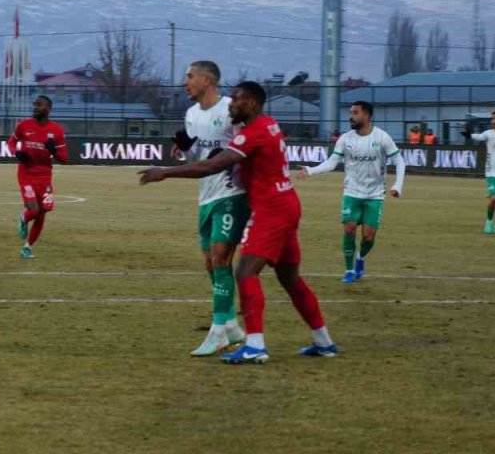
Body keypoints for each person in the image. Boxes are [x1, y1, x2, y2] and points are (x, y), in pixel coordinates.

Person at [139, 82, 336, 364]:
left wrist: (165, 172)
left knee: (245, 272)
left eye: (238, 101)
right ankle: (324, 341)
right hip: (287, 202)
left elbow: (212, 167)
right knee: (290, 279)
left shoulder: (253, 132)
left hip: (272, 210)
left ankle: (255, 346)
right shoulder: (269, 124)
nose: (231, 104)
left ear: (252, 104)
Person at [173, 61, 248, 356]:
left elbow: (250, 145)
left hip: (232, 193)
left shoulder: (233, 108)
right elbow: (195, 159)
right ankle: (230, 323)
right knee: (211, 263)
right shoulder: (191, 114)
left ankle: (218, 330)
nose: (185, 82)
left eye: (189, 76)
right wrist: (185, 149)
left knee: (220, 258)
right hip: (206, 196)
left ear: (207, 80)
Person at [297, 101, 406, 284]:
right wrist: (310, 170)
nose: (351, 116)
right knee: (349, 229)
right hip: (352, 192)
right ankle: (349, 270)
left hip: (375, 194)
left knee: (368, 236)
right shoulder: (345, 139)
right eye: (351, 112)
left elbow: (399, 161)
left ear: (367, 116)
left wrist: (398, 185)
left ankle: (360, 258)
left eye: (355, 113)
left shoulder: (382, 137)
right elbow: (332, 163)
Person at [8, 95, 68, 259]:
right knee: (34, 209)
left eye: (39, 105)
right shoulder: (24, 126)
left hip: (45, 177)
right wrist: (17, 153)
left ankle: (27, 247)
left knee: (42, 213)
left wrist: (54, 150)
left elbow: (64, 158)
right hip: (26, 174)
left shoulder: (56, 130)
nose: (35, 107)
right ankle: (23, 217)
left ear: (48, 109)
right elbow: (11, 143)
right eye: (34, 104)